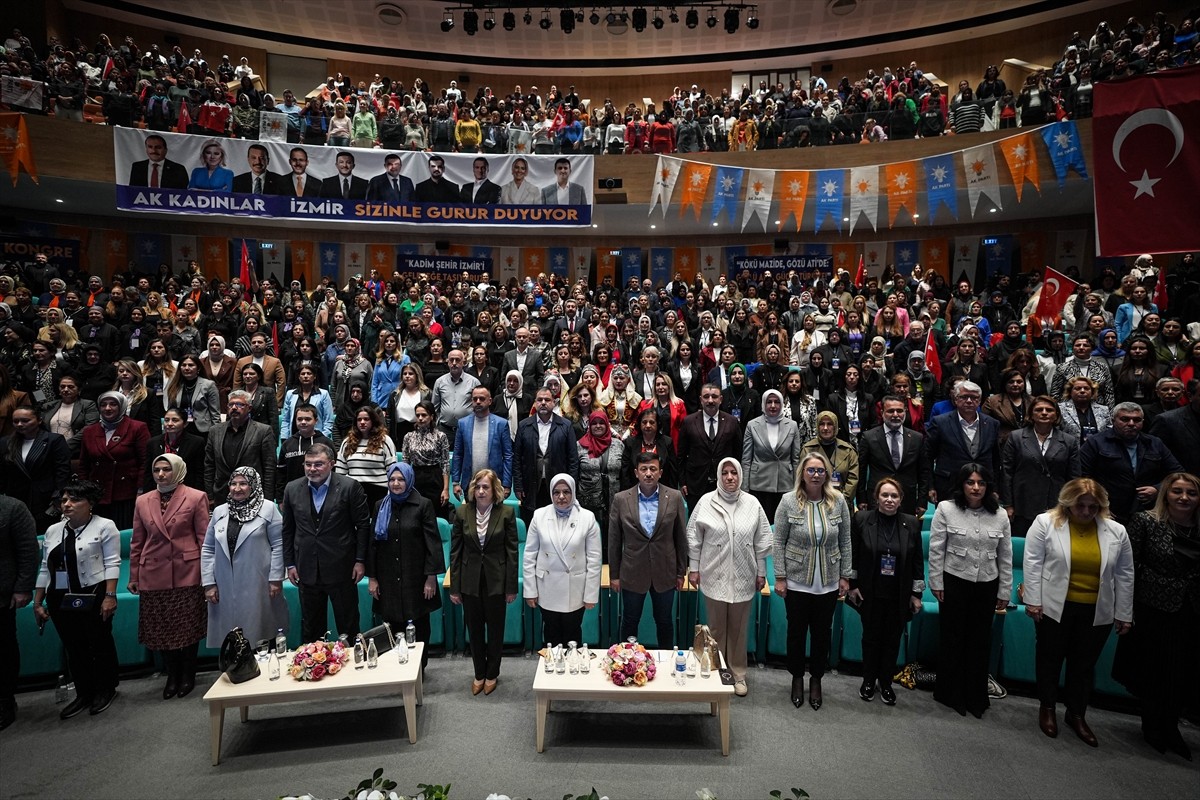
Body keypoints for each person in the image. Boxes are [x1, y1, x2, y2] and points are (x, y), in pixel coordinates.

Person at [1023, 477, 1134, 747]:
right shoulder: (1045, 523)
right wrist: (1033, 600)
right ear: (1068, 503)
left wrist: (1124, 613)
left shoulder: (1116, 531)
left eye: (1093, 507)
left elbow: (1125, 573)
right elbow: (1033, 563)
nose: (1086, 512)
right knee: (1050, 658)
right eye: (1080, 506)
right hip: (1053, 606)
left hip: (1096, 609)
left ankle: (1076, 714)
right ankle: (1047, 707)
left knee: (1083, 666)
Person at [1119, 472, 1200, 759]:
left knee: (1182, 671)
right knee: (1153, 667)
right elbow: (1127, 568)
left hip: (1190, 610)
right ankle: (1152, 726)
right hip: (1153, 607)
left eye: (1191, 492)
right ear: (1165, 494)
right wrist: (1125, 609)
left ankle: (1172, 728)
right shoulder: (1146, 522)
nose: (1184, 497)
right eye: (1177, 491)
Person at [928, 462, 1013, 719]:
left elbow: (1005, 556)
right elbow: (936, 550)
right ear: (961, 484)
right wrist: (936, 582)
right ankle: (950, 693)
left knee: (979, 641)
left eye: (981, 483)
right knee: (953, 639)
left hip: (987, 584)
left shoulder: (1000, 515)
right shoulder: (946, 509)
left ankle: (975, 695)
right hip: (954, 581)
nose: (976, 488)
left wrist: (1005, 590)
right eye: (970, 482)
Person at [32, 479, 121, 718]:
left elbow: (112, 562)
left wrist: (110, 596)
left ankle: (106, 688)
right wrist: (38, 602)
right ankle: (84, 692)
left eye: (74, 500)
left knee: (98, 642)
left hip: (93, 593)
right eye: (63, 500)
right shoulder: (53, 531)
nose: (67, 505)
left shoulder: (105, 526)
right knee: (74, 646)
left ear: (90, 503)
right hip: (59, 598)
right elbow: (44, 567)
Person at [774, 451, 852, 711]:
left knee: (821, 635)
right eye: (811, 470)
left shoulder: (838, 501)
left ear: (827, 474)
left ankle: (816, 679)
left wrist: (845, 575)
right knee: (796, 633)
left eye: (820, 470)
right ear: (802, 474)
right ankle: (797, 678)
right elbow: (778, 541)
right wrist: (781, 577)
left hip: (828, 582)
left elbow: (845, 540)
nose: (816, 474)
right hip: (796, 581)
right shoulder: (788, 501)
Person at [687, 458, 772, 697]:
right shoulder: (706, 502)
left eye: (733, 472)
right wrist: (694, 568)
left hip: (744, 577)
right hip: (713, 575)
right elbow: (694, 539)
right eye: (724, 473)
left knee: (738, 629)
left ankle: (738, 674)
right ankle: (716, 672)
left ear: (740, 476)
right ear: (719, 476)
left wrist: (761, 572)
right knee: (715, 629)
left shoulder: (752, 503)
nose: (729, 477)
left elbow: (762, 541)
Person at [129, 454, 210, 699]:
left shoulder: (196, 497)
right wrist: (134, 575)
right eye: (157, 470)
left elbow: (204, 539)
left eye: (166, 469)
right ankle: (171, 675)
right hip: (154, 572)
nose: (161, 474)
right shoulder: (143, 501)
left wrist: (208, 573)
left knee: (187, 626)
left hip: (186, 570)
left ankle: (188, 675)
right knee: (161, 627)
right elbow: (137, 541)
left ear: (177, 470)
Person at [282, 442, 372, 642]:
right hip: (307, 569)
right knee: (312, 629)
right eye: (308, 464)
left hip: (342, 567)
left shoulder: (350, 487)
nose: (312, 469)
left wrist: (360, 560)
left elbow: (363, 526)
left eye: (318, 464)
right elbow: (288, 530)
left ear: (331, 464)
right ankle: (316, 669)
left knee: (348, 627)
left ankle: (352, 670)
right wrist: (289, 563)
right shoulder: (292, 489)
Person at [848, 477, 924, 706]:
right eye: (885, 495)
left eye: (894, 496)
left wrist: (916, 594)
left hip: (898, 594)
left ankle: (887, 683)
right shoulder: (862, 519)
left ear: (901, 500)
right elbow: (853, 555)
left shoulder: (911, 523)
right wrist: (852, 586)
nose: (889, 500)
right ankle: (869, 681)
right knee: (870, 639)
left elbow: (917, 562)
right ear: (876, 498)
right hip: (870, 592)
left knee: (892, 640)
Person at [201, 467, 288, 654]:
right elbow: (208, 548)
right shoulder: (219, 511)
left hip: (259, 582)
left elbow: (279, 545)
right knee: (232, 635)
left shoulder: (268, 508)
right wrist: (209, 583)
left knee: (262, 632)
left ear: (254, 485)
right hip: (225, 584)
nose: (237, 488)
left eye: (243, 483)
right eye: (233, 483)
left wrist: (275, 578)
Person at [367, 462, 444, 672]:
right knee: (392, 624)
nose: (396, 483)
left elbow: (433, 543)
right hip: (388, 577)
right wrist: (372, 578)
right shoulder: (380, 505)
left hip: (416, 576)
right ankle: (396, 669)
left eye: (400, 479)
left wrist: (431, 578)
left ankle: (419, 668)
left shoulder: (423, 504)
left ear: (409, 480)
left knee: (419, 623)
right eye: (392, 479)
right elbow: (372, 544)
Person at [608, 451, 688, 649]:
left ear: (660, 472)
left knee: (665, 622)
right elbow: (614, 540)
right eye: (644, 469)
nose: (648, 473)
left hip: (665, 572)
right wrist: (614, 575)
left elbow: (680, 538)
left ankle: (668, 665)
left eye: (653, 469)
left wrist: (681, 571)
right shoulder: (620, 499)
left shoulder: (675, 497)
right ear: (636, 473)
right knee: (629, 621)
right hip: (632, 572)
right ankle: (625, 665)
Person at [449, 468, 518, 695]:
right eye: (477, 487)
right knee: (475, 630)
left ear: (494, 490)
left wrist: (511, 587)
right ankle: (479, 673)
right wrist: (455, 587)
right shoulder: (461, 512)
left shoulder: (506, 513)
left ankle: (492, 674)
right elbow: (456, 553)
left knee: (496, 630)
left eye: (485, 487)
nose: (480, 491)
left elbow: (511, 553)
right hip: (469, 582)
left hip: (496, 581)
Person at [523, 473, 602, 647]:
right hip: (547, 589)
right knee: (551, 636)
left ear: (573, 492)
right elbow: (529, 556)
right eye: (556, 492)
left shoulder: (587, 518)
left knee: (573, 636)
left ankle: (574, 671)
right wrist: (530, 591)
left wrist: (591, 594)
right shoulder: (539, 515)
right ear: (551, 493)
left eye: (566, 492)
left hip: (575, 590)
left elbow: (594, 560)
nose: (561, 497)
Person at [1080, 402, 1183, 523]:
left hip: (1147, 512)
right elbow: (1082, 477)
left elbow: (1178, 473)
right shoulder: (1095, 442)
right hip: (1109, 509)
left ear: (1143, 422)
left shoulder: (1154, 443)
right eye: (1125, 419)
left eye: (1137, 420)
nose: (1131, 424)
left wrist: (1158, 489)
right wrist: (1098, 503)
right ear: (1113, 421)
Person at [1001, 396, 1082, 537]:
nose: (1044, 413)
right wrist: (1008, 504)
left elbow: (1074, 477)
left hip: (1055, 503)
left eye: (1049, 410)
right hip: (1023, 504)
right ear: (1031, 414)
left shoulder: (1069, 441)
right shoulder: (1016, 437)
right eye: (1039, 410)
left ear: (1056, 414)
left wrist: (1072, 505)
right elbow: (1007, 473)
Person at [79, 391, 149, 529]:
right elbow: (84, 465)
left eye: (113, 404)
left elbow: (145, 462)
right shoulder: (89, 431)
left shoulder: (137, 427)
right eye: (103, 405)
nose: (107, 408)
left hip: (126, 494)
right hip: (97, 494)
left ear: (122, 406)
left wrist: (141, 491)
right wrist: (84, 492)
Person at [925, 380, 1001, 503]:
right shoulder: (940, 422)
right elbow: (927, 457)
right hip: (948, 486)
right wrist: (930, 486)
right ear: (955, 399)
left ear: (980, 400)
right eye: (964, 397)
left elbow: (996, 460)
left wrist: (995, 488)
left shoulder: (992, 424)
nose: (969, 401)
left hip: (982, 488)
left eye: (974, 397)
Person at [513, 387, 580, 526]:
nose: (543, 403)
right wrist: (518, 486)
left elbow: (573, 460)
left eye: (547, 400)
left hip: (557, 485)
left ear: (554, 402)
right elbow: (517, 459)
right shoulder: (524, 425)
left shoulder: (565, 425)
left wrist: (570, 486)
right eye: (540, 400)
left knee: (556, 525)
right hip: (530, 485)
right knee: (532, 524)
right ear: (535, 403)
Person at [2, 405, 72, 534]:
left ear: (39, 420)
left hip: (45, 498)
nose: (19, 424)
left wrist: (58, 495)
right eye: (15, 421)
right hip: (16, 496)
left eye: (25, 420)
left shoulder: (53, 440)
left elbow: (62, 471)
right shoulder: (6, 442)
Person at [856, 396, 931, 516]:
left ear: (905, 411)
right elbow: (861, 470)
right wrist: (861, 498)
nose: (895, 415)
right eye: (890, 411)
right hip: (877, 498)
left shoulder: (917, 438)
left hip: (907, 499)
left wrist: (922, 501)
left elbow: (924, 472)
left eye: (899, 411)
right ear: (882, 413)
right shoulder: (869, 437)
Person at [0, 495, 37, 729]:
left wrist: (23, 587)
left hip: (2, 594)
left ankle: (5, 700)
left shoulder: (12, 507)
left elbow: (28, 551)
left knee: (3, 649)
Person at [204, 390, 277, 507]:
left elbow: (269, 467)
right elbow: (209, 465)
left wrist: (267, 498)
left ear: (249, 408)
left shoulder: (263, 431)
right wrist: (210, 495)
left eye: (239, 405)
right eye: (231, 405)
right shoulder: (215, 431)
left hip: (252, 495)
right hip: (222, 493)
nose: (234, 408)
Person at [678, 384, 742, 511]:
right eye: (706, 397)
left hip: (723, 483)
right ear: (701, 400)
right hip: (695, 483)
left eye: (714, 396)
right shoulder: (688, 422)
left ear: (721, 399)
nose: (710, 400)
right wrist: (683, 482)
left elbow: (738, 453)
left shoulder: (732, 422)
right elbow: (681, 455)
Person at [741, 389, 801, 520]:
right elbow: (746, 459)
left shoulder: (792, 425)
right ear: (763, 404)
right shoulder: (752, 425)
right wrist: (744, 489)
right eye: (769, 402)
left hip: (785, 484)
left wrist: (798, 487)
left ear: (781, 404)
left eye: (776, 402)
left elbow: (796, 459)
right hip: (759, 484)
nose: (773, 406)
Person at [576, 410, 623, 557]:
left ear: (607, 425)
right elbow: (575, 473)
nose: (598, 426)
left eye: (601, 423)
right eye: (594, 423)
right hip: (588, 497)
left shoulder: (618, 444)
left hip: (614, 497)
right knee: (591, 534)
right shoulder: (580, 445)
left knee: (613, 534)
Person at [452, 386, 512, 500]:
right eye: (475, 399)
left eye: (482, 398)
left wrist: (507, 484)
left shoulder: (501, 424)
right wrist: (455, 482)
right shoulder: (462, 424)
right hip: (470, 484)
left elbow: (508, 456)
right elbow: (458, 454)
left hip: (494, 484)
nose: (478, 402)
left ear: (490, 401)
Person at [335, 405, 396, 511]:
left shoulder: (385, 441)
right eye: (359, 419)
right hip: (354, 492)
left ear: (373, 421)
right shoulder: (347, 442)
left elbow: (392, 471)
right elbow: (340, 473)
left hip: (379, 492)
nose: (362, 422)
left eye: (366, 419)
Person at [802, 411, 860, 501]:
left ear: (835, 427)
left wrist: (842, 500)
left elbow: (853, 479)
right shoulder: (807, 449)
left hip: (842, 500)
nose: (825, 428)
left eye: (829, 424)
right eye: (822, 424)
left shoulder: (848, 450)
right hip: (813, 500)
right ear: (817, 426)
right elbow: (802, 477)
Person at [165, 354, 222, 439]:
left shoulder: (208, 385)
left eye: (191, 365)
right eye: (183, 365)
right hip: (180, 429)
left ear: (198, 368)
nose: (187, 368)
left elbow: (215, 414)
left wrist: (216, 435)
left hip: (202, 430)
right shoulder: (175, 385)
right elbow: (170, 409)